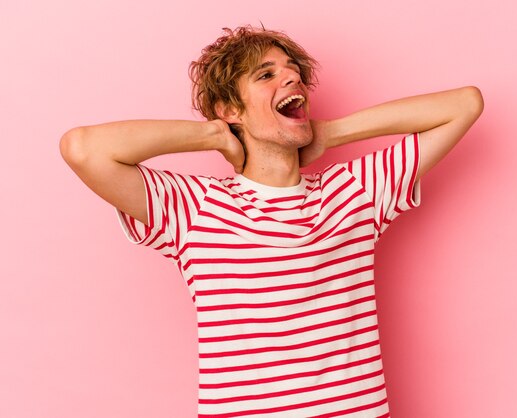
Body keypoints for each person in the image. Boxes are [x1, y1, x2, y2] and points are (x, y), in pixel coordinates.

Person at [60, 25, 483, 418]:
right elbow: (83, 148)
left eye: (293, 71)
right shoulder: (194, 207)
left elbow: (464, 104)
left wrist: (331, 133)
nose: (291, 78)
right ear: (231, 109)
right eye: (265, 75)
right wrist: (212, 135)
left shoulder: (356, 190)